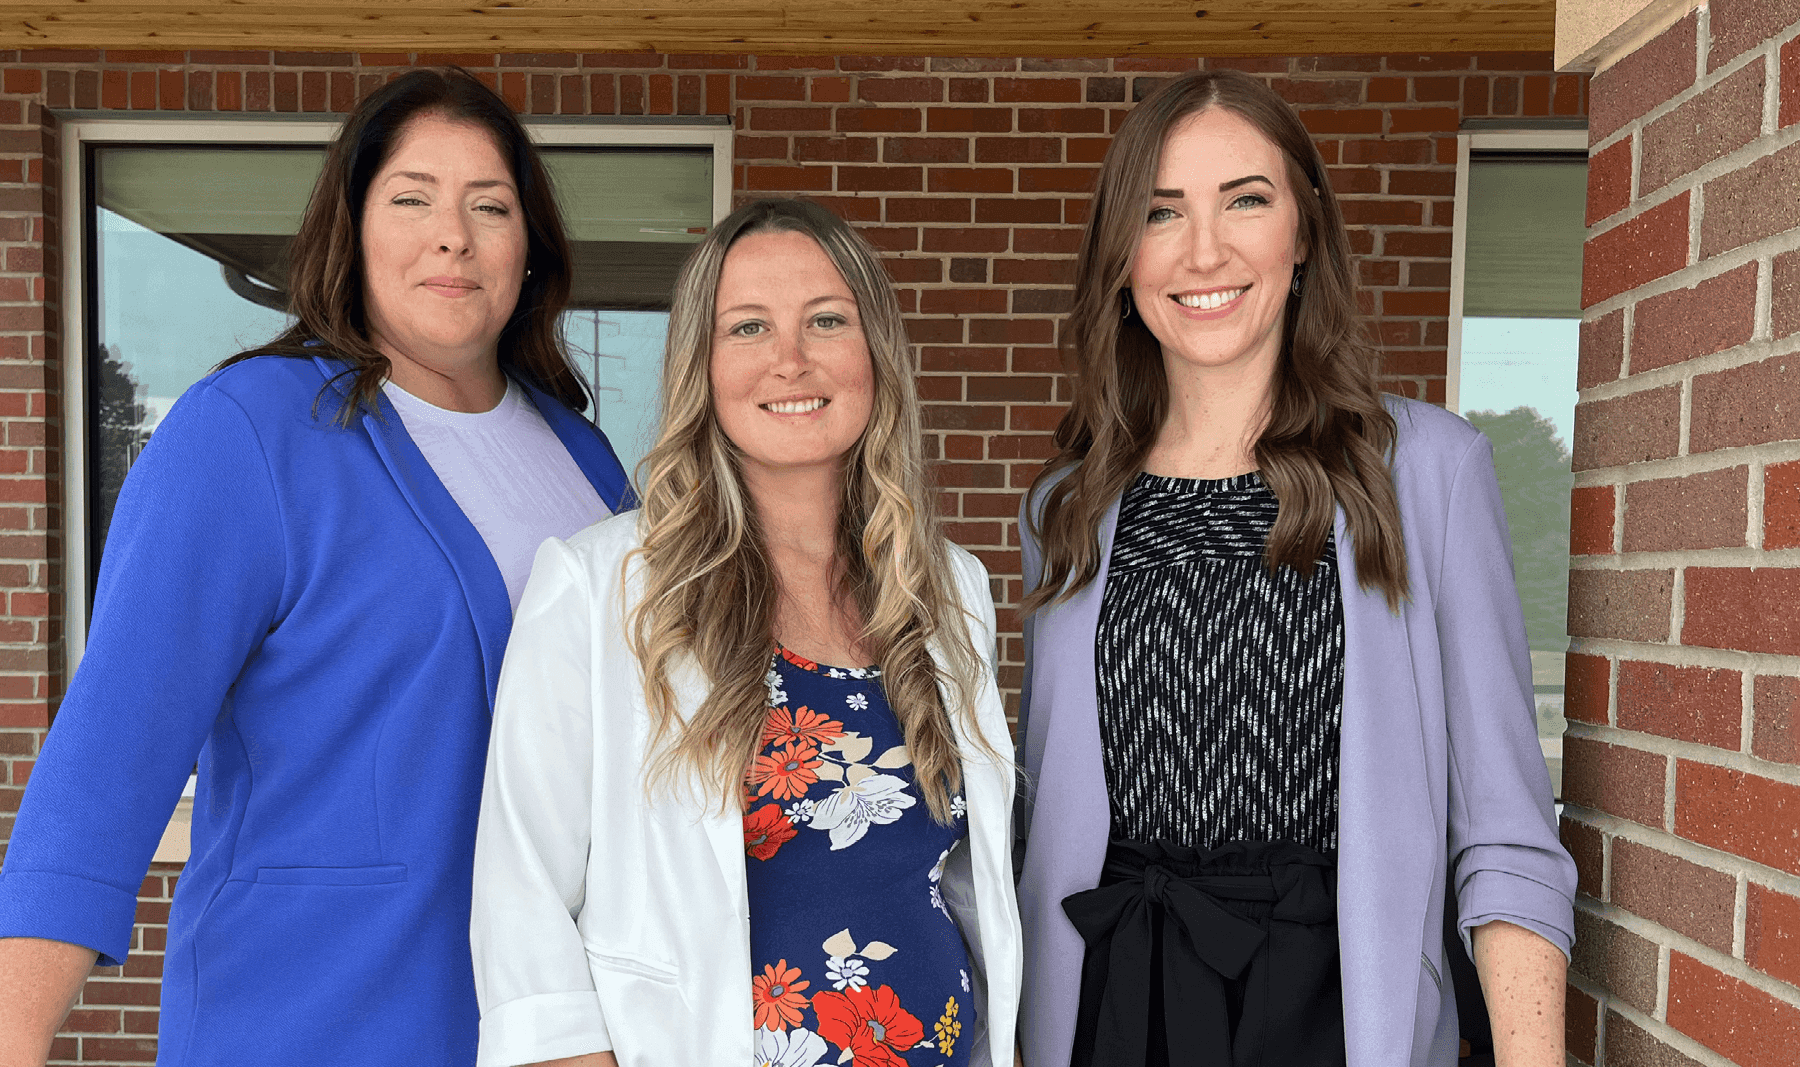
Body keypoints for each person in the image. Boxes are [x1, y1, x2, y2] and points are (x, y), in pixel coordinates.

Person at [0, 67, 633, 1067]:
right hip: (310, 1016)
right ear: (354, 228)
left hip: (554, 1030)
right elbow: (110, 758)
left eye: (490, 205)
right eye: (412, 197)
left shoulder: (588, 465)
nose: (452, 235)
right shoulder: (248, 434)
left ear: (530, 247)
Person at [1012, 70, 1576, 1067]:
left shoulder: (1427, 471)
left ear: (1305, 230)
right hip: (1114, 1001)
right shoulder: (1068, 507)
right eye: (1160, 211)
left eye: (1246, 200)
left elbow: (1505, 837)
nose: (1205, 250)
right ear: (1123, 255)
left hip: (1336, 1005)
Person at [469, 197, 1021, 1067]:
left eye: (827, 320)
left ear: (875, 351)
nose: (790, 360)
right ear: (703, 364)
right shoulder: (602, 588)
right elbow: (522, 901)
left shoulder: (948, 588)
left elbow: (964, 885)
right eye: (749, 327)